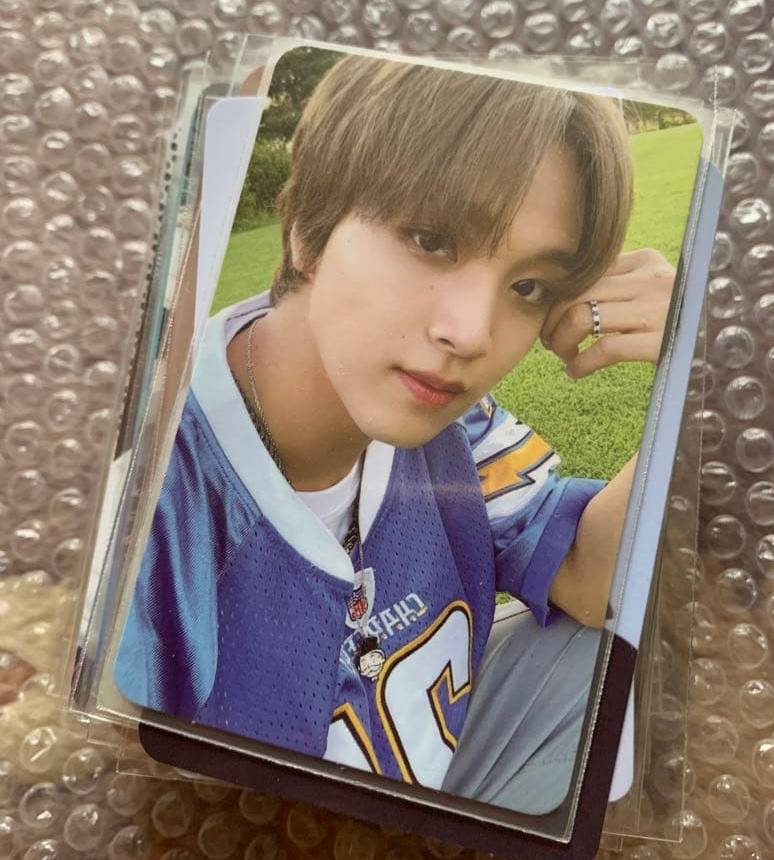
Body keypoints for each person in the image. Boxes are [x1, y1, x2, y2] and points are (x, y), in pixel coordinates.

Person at [115, 53, 675, 813]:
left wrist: (702, 374)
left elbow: (590, 577)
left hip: (427, 802)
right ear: (309, 229)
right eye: (431, 240)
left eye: (528, 286)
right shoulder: (149, 501)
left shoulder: (453, 423)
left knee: (618, 660)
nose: (471, 332)